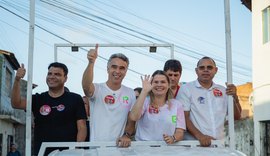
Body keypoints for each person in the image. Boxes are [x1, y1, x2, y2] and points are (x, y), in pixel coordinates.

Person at [11, 62, 87, 155]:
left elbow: (82, 127)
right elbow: (16, 103)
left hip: (68, 153)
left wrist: (76, 150)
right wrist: (17, 79)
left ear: (65, 78)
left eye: (57, 74)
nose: (52, 77)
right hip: (42, 152)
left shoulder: (75, 98)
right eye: (49, 74)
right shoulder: (37, 99)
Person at [176, 56, 242, 147]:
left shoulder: (223, 90)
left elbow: (236, 116)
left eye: (209, 67)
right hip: (194, 146)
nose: (205, 70)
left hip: (218, 145)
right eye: (202, 68)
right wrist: (200, 136)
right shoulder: (186, 89)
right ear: (196, 71)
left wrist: (234, 96)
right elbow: (183, 118)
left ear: (216, 70)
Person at [82, 44, 136, 147]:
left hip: (119, 149)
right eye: (114, 67)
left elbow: (131, 121)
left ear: (126, 71)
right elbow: (86, 87)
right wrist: (91, 63)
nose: (117, 71)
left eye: (122, 68)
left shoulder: (130, 93)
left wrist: (127, 135)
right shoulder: (97, 89)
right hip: (96, 149)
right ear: (107, 69)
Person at [129, 70, 186, 143]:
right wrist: (144, 91)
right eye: (155, 82)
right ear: (150, 84)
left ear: (168, 85)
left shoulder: (177, 105)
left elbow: (180, 131)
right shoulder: (144, 101)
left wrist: (173, 138)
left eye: (163, 82)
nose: (159, 85)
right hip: (144, 149)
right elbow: (133, 117)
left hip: (168, 149)